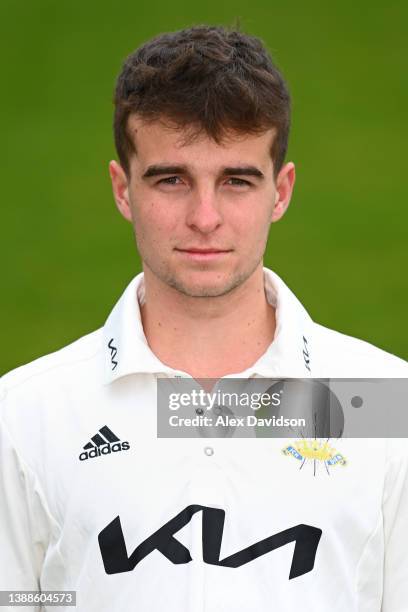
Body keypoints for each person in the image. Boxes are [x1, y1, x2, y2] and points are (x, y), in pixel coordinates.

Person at [1, 25, 407, 612]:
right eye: (172, 179)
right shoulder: (26, 414)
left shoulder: (383, 401)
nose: (205, 217)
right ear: (122, 189)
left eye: (236, 181)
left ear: (281, 191)